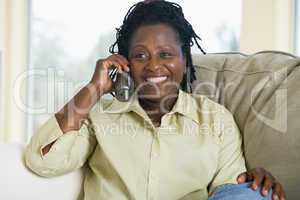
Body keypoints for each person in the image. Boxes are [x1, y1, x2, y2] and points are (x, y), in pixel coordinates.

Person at [25, 1, 286, 200]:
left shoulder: (216, 120)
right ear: (125, 63)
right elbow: (43, 159)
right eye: (140, 55)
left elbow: (229, 190)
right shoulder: (101, 115)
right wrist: (94, 88)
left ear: (185, 59)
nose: (154, 66)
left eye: (165, 54)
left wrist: (254, 188)